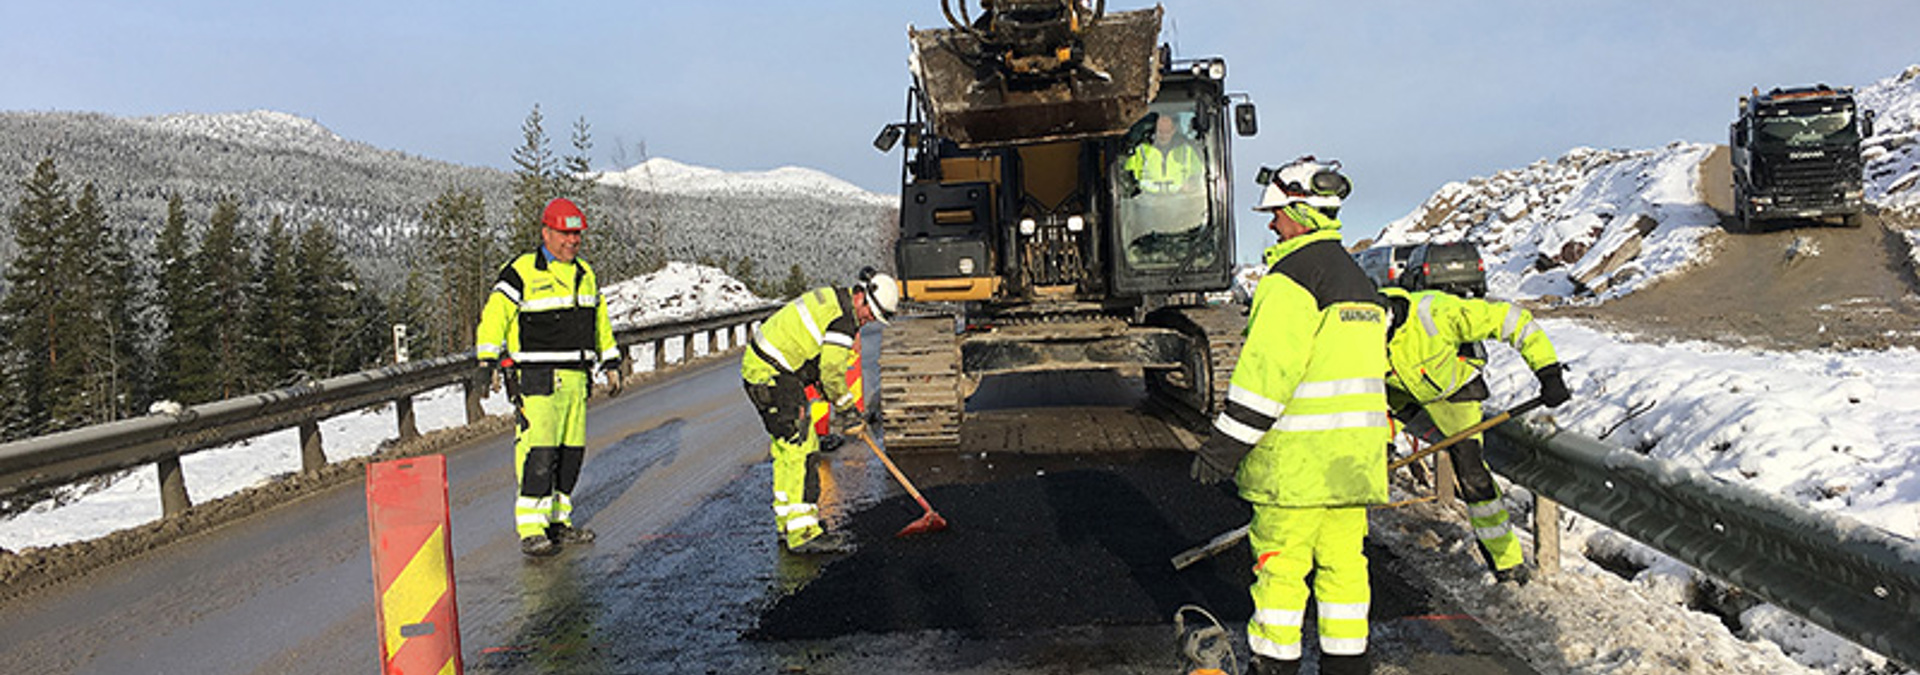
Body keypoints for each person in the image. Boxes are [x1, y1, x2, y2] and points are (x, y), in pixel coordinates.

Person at [1189, 157, 1387, 675]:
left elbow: (1266, 378)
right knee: (1345, 572)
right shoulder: (1358, 282)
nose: (1273, 223)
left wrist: (1223, 449)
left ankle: (1273, 667)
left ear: (1301, 212)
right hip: (1350, 467)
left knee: (1280, 571)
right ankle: (1348, 667)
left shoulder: (1289, 280)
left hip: (1297, 470)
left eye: (1277, 214)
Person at [1378, 284, 1571, 584]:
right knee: (1365, 458)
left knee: (1471, 474)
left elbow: (1512, 319)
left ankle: (1506, 561)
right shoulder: (1354, 332)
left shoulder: (1435, 314)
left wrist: (1548, 372)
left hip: (1455, 389)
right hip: (1398, 392)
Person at [474, 197, 622, 557]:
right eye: (564, 234)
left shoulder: (585, 275)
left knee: (570, 455)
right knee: (539, 453)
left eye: (577, 235)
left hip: (576, 380)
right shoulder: (521, 272)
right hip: (536, 379)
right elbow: (495, 317)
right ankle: (532, 528)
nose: (572, 241)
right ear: (546, 232)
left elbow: (598, 323)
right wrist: (486, 360)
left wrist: (612, 360)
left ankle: (559, 522)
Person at [742, 268, 900, 554]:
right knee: (803, 448)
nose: (866, 322)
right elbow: (830, 372)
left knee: (787, 448)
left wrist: (833, 396)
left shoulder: (834, 299)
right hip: (773, 373)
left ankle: (788, 524)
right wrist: (848, 410)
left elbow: (817, 361)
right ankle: (803, 533)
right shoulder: (843, 321)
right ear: (862, 297)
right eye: (868, 316)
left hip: (764, 369)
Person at [1124, 113, 1203, 195]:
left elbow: (1199, 173)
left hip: (1181, 200)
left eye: (1167, 131)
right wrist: (1135, 187)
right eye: (1160, 131)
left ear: (1173, 130)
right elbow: (1127, 174)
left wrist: (1191, 184)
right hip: (1146, 201)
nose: (1163, 135)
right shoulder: (1141, 150)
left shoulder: (1187, 151)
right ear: (1155, 130)